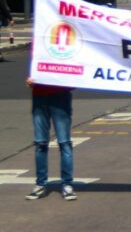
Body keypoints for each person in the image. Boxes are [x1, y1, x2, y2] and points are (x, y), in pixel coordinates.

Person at [24, 70, 76, 200]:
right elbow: (36, 69)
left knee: (64, 143)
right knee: (40, 143)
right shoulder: (37, 49)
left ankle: (67, 185)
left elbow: (75, 73)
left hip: (60, 96)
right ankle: (40, 184)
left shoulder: (69, 50)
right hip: (39, 96)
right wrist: (31, 80)